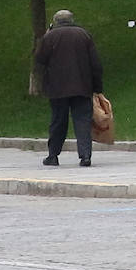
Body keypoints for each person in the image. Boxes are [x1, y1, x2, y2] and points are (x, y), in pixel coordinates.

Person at [33, 9, 104, 167]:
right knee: (82, 121)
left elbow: (40, 59)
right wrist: (97, 87)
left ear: (55, 21)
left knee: (58, 121)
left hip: (57, 87)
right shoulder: (83, 35)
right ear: (71, 20)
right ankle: (85, 156)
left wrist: (46, 35)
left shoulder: (50, 36)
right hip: (82, 86)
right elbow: (95, 64)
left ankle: (53, 155)